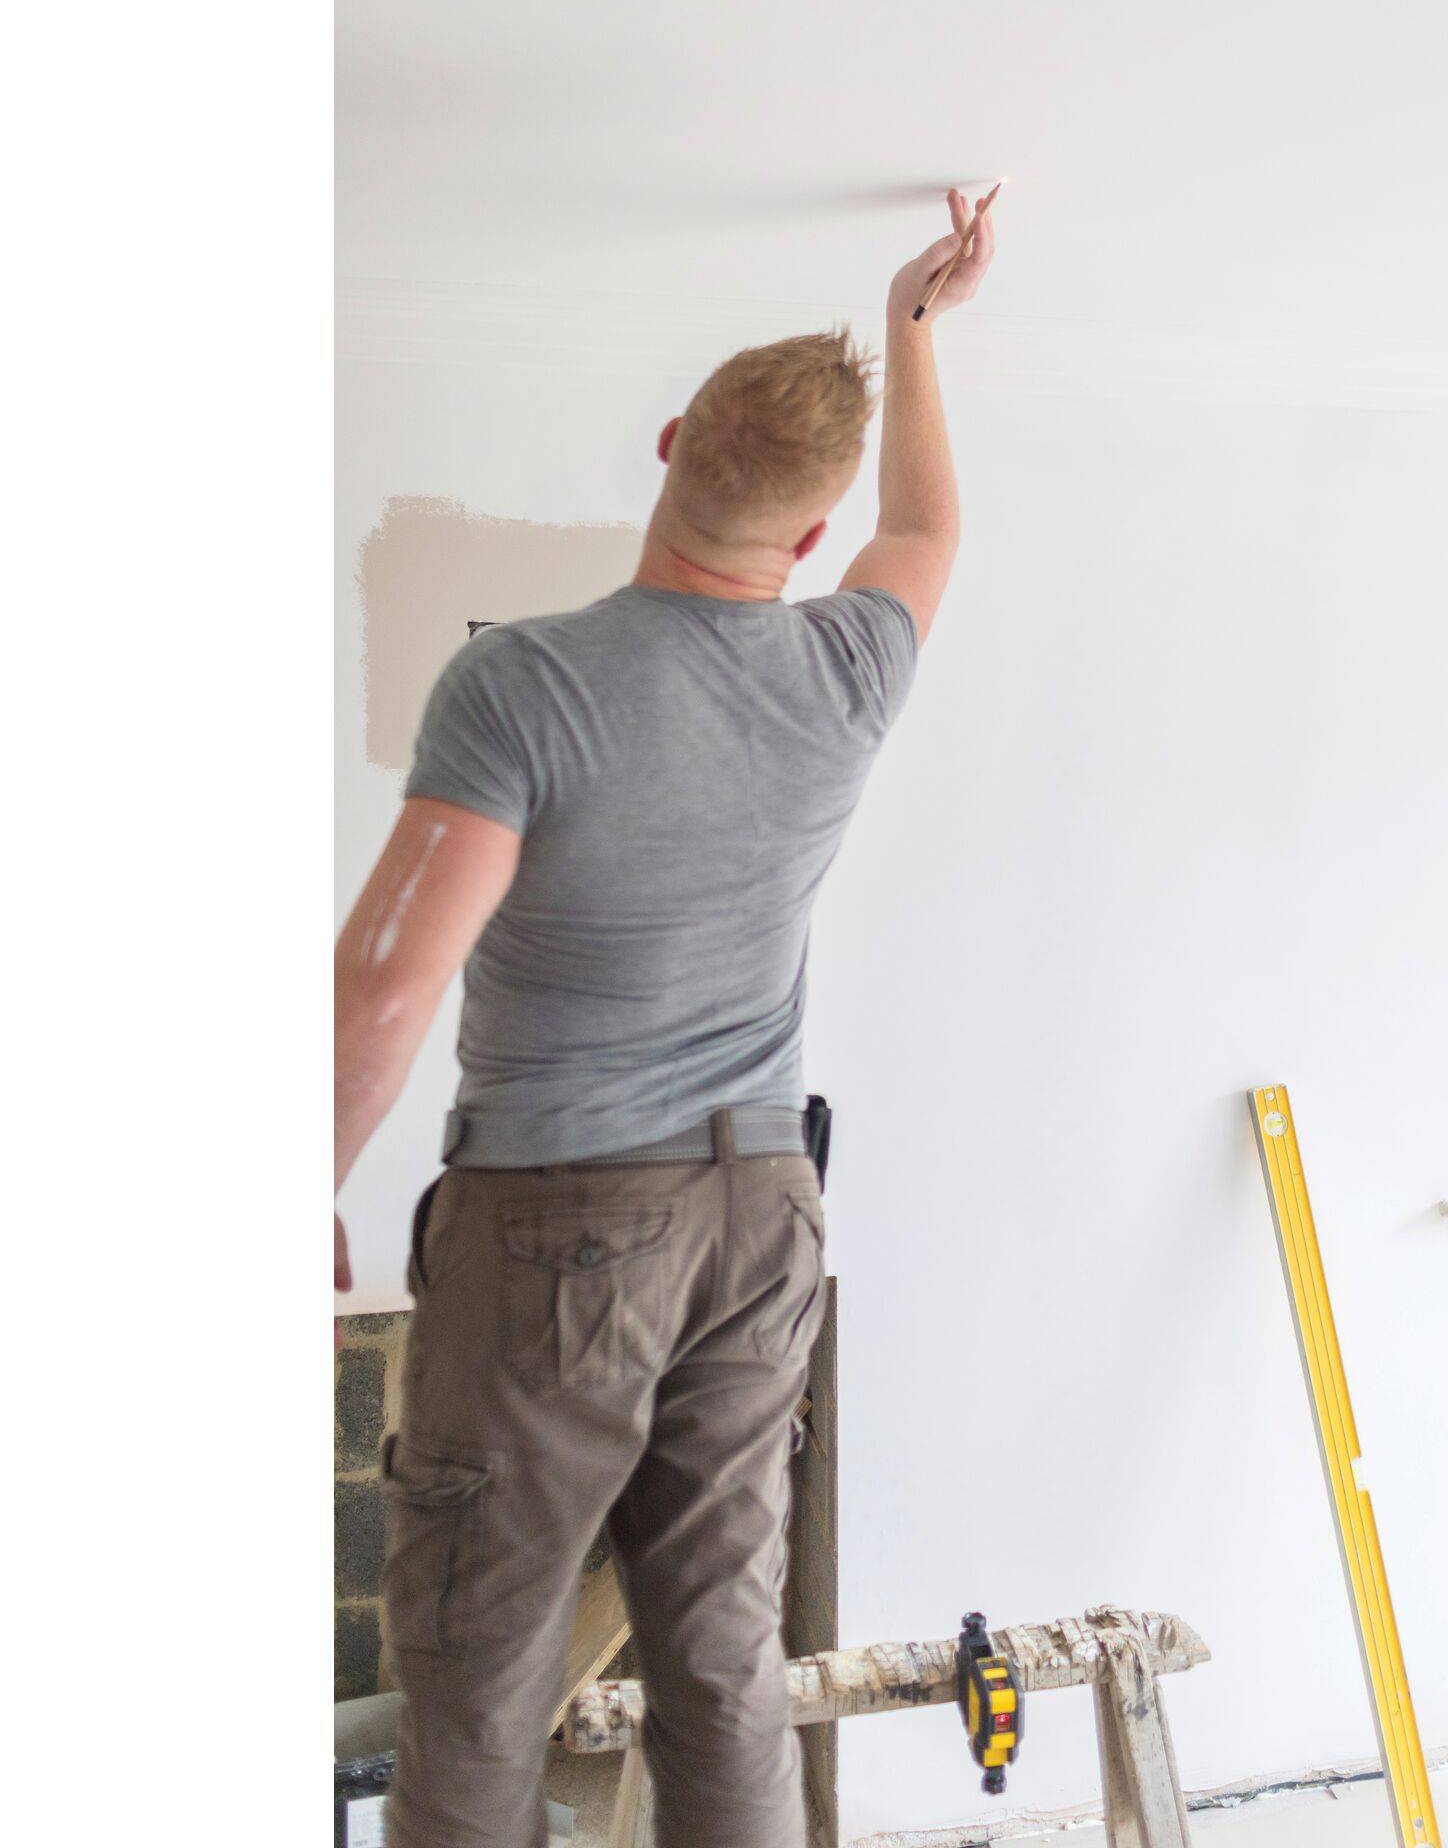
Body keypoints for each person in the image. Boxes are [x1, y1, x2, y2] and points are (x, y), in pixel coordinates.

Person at [333, 187, 1000, 1848]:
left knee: (482, 1674)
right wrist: (915, 325)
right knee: (721, 1666)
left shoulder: (524, 683)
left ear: (667, 447)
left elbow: (392, 974)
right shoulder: (846, 669)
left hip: (558, 1227)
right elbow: (927, 529)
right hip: (765, 1217)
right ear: (810, 539)